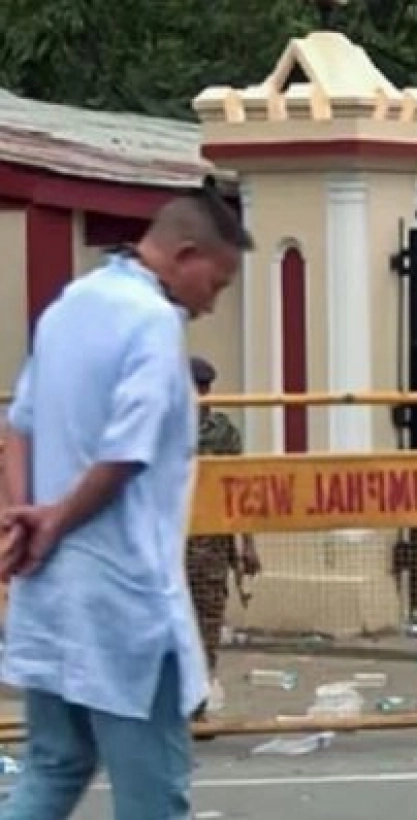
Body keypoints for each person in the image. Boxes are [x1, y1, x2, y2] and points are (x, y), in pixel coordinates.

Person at [0, 190, 250, 819]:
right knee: (153, 796)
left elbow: (19, 426)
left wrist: (23, 516)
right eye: (215, 283)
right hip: (126, 600)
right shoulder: (152, 322)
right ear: (184, 255)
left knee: (53, 768)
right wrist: (51, 521)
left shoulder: (70, 306)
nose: (211, 301)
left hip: (53, 594)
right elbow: (128, 451)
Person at [185, 356, 260, 723]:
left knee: (207, 626)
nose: (200, 395)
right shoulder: (160, 428)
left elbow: (240, 488)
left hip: (211, 547)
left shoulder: (223, 433)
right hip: (167, 547)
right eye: (194, 387)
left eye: (204, 388)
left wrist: (248, 544)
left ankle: (197, 705)